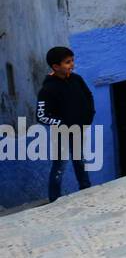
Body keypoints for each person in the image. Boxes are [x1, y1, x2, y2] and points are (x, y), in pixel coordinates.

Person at [37, 47, 96, 203]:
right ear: (56, 67)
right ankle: (54, 199)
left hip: (78, 130)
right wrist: (62, 124)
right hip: (61, 134)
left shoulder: (77, 79)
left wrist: (89, 116)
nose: (72, 65)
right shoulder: (47, 89)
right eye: (67, 62)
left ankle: (86, 189)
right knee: (60, 165)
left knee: (80, 160)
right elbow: (41, 115)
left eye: (72, 61)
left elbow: (88, 96)